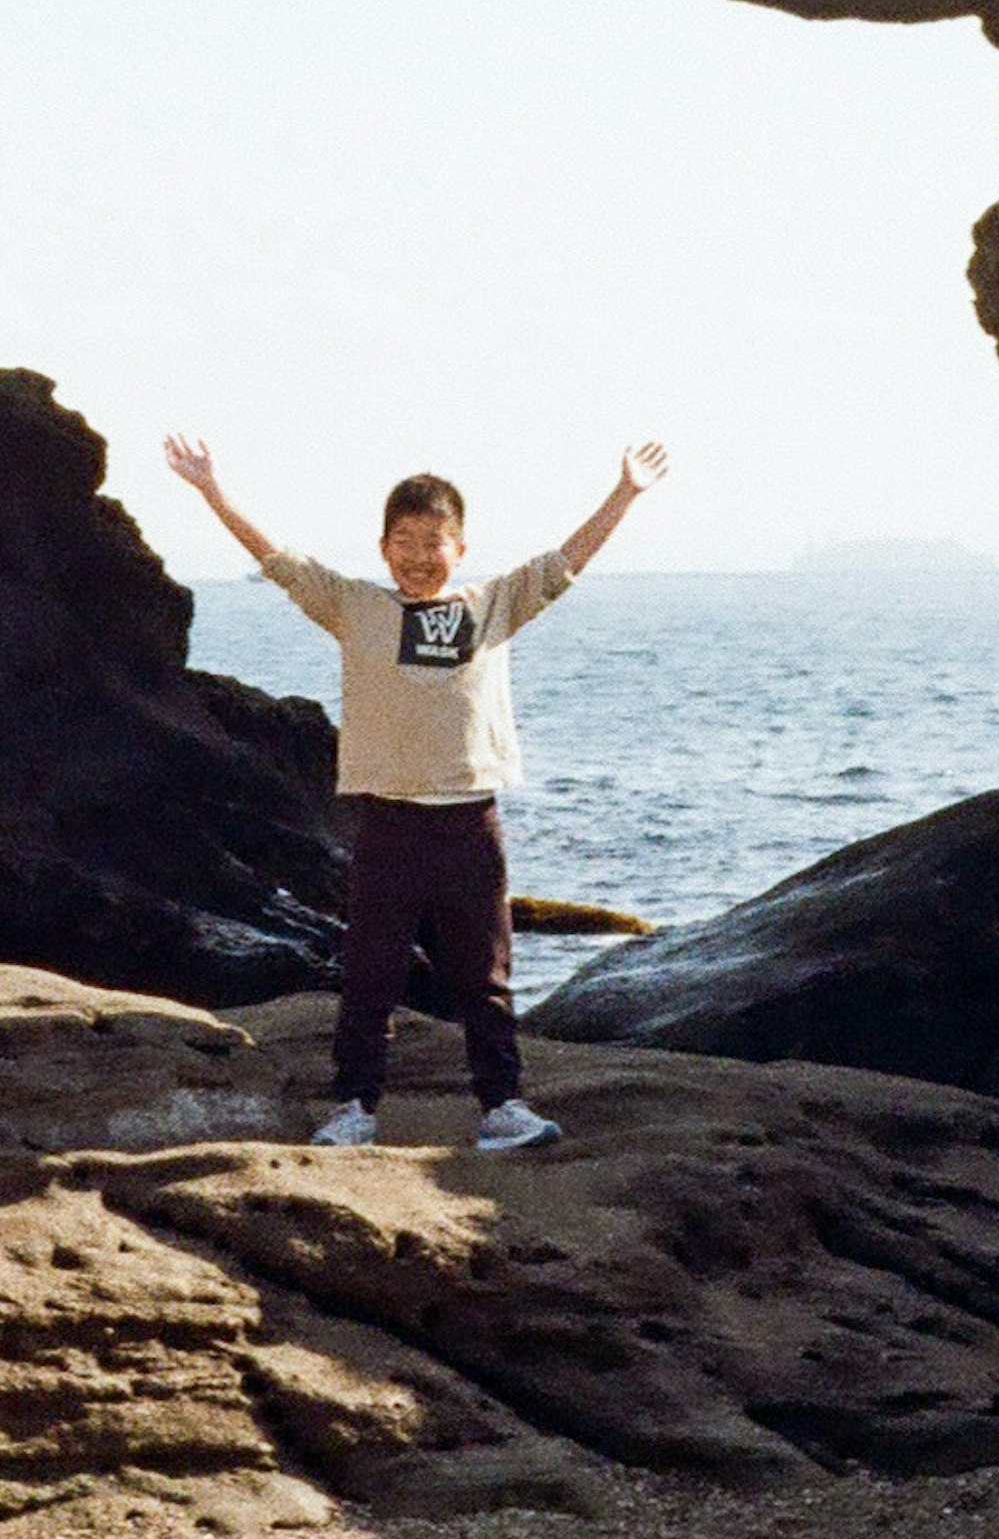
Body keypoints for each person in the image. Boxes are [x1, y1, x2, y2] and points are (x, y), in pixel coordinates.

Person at [163, 432, 669, 1151]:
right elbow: (276, 560)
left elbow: (566, 561)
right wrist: (212, 489)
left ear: (459, 547)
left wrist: (624, 491)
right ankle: (353, 1109)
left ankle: (501, 1107)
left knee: (485, 978)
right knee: (369, 975)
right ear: (383, 546)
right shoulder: (353, 606)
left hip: (470, 821)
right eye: (405, 540)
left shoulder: (494, 603)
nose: (419, 554)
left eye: (435, 541)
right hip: (388, 824)